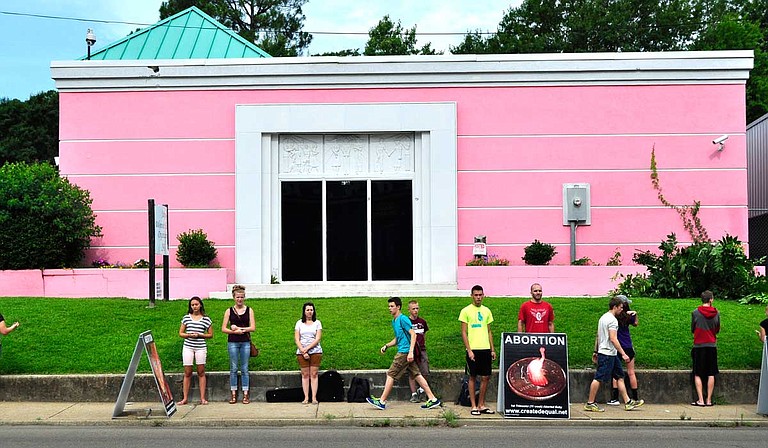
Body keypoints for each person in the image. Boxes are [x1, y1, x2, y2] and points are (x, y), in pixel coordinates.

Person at [366, 297, 442, 410]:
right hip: (405, 351)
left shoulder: (403, 319)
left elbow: (413, 334)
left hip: (404, 352)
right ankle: (433, 399)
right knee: (417, 375)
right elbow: (398, 339)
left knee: (391, 374)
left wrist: (410, 352)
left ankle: (381, 401)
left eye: (392, 306)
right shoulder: (394, 321)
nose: (389, 308)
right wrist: (386, 346)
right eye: (389, 306)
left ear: (398, 307)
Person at [584, 296, 645, 412]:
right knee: (599, 378)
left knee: (619, 376)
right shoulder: (612, 321)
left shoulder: (603, 317)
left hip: (608, 352)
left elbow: (599, 335)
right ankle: (590, 402)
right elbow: (613, 338)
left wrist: (596, 350)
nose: (622, 310)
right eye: (621, 307)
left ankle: (628, 401)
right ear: (615, 307)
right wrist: (623, 353)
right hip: (607, 353)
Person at [459, 285, 496, 416]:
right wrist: (469, 350)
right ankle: (473, 406)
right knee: (473, 376)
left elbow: (489, 331)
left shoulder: (486, 311)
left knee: (486, 376)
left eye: (480, 295)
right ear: (472, 296)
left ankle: (481, 404)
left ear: (483, 295)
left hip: (485, 348)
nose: (478, 297)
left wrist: (492, 349)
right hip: (473, 348)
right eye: (476, 295)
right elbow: (464, 332)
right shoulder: (466, 311)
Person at [221, 284, 255, 404]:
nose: (239, 299)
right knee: (234, 368)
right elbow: (223, 328)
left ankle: (246, 393)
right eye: (237, 297)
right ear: (234, 297)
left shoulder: (249, 310)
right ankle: (233, 393)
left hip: (245, 341)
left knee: (245, 368)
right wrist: (233, 330)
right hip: (233, 342)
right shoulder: (229, 311)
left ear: (244, 297)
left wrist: (242, 329)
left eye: (241, 297)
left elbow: (253, 327)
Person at [178, 296, 213, 405]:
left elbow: (210, 334)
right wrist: (189, 335)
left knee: (201, 372)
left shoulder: (206, 319)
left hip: (200, 347)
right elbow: (181, 333)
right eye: (192, 305)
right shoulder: (186, 318)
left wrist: (200, 335)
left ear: (200, 305)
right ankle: (185, 398)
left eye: (196, 304)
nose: (195, 307)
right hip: (188, 346)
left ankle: (202, 398)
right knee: (187, 372)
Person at [608, 295, 640, 405]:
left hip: (617, 347)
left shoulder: (614, 317)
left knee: (616, 374)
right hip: (628, 346)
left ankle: (615, 398)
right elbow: (636, 323)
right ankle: (635, 397)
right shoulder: (629, 316)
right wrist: (635, 314)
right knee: (631, 373)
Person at [691, 290, 720, 407]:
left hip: (699, 345)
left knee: (697, 373)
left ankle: (700, 400)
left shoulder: (695, 313)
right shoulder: (716, 313)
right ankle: (709, 400)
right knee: (711, 373)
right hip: (711, 345)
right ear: (711, 300)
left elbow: (693, 328)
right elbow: (717, 328)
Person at [295, 302, 323, 404]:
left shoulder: (317, 323)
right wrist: (303, 350)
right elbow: (297, 339)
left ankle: (314, 397)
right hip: (302, 352)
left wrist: (307, 349)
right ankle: (306, 397)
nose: (310, 312)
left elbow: (317, 338)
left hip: (315, 351)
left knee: (314, 374)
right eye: (307, 310)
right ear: (304, 311)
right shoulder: (299, 323)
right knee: (305, 374)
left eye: (311, 310)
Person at [407, 300, 429, 403]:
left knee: (424, 370)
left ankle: (422, 390)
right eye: (413, 309)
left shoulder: (422, 322)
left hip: (422, 349)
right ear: (409, 310)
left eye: (417, 308)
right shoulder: (407, 322)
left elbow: (423, 335)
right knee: (412, 372)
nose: (416, 311)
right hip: (411, 349)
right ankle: (414, 393)